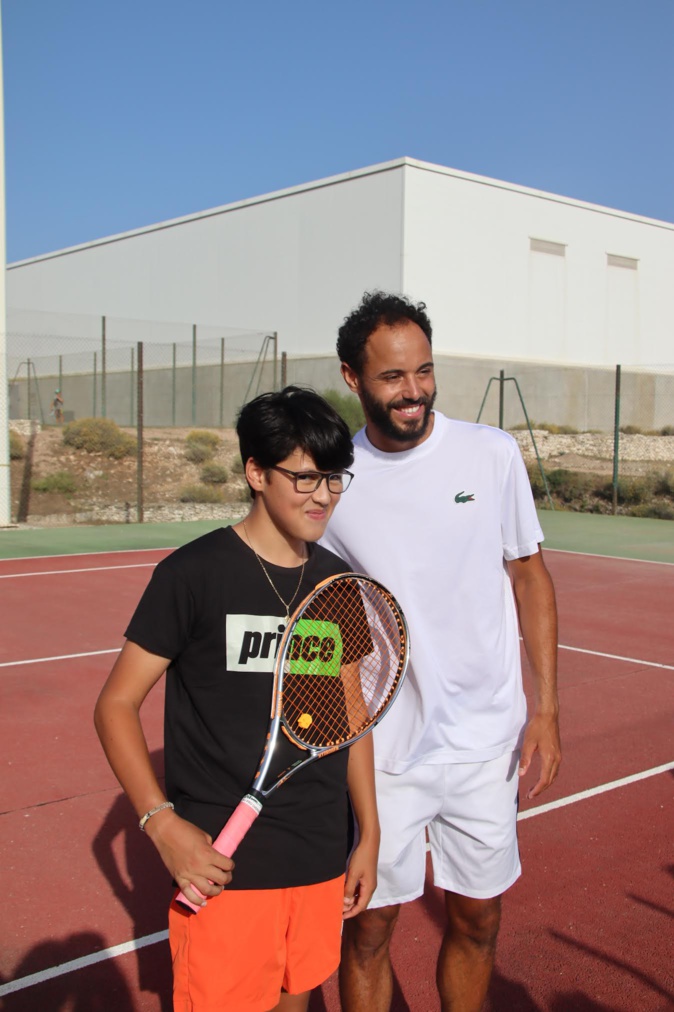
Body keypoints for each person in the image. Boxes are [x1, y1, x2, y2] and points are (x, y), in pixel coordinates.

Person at [94, 386, 380, 1012]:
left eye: (334, 478)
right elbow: (115, 705)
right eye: (305, 478)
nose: (324, 496)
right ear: (256, 472)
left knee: (296, 1001)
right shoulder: (191, 575)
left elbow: (352, 718)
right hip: (223, 862)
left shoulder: (338, 583)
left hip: (318, 851)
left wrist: (370, 833)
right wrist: (161, 824)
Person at [320, 292, 561, 1012]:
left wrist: (547, 711)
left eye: (423, 371)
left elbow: (530, 575)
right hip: (381, 753)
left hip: (484, 743)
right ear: (352, 378)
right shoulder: (332, 480)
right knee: (368, 930)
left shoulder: (491, 454)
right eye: (392, 376)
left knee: (479, 920)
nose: (414, 390)